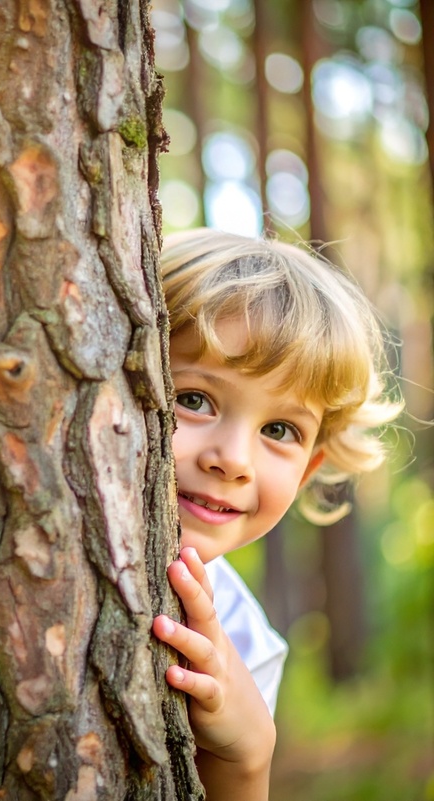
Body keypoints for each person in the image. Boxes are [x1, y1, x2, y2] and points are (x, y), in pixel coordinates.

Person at [150, 228, 401, 798]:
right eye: (194, 399)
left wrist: (248, 761)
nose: (233, 460)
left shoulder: (246, 644)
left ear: (307, 472)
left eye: (279, 430)